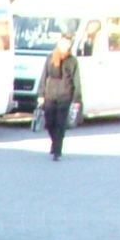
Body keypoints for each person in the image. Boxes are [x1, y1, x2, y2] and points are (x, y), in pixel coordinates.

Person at [39, 30, 83, 161]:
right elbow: (43, 76)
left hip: (65, 95)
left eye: (68, 44)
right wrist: (41, 94)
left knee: (60, 123)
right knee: (50, 122)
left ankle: (58, 149)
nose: (65, 46)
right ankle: (54, 142)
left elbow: (76, 80)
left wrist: (77, 98)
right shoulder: (51, 57)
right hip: (50, 94)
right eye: (63, 43)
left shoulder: (72, 61)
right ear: (59, 43)